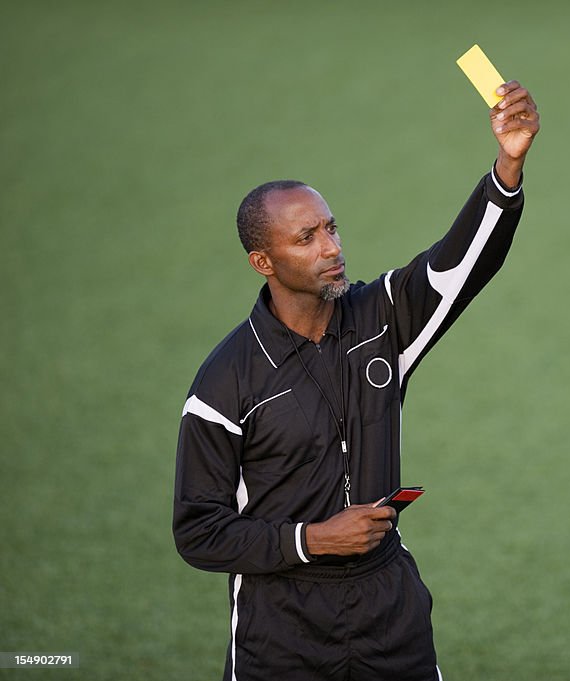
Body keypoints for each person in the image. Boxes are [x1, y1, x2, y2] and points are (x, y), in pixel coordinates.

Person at [173, 80, 539, 681]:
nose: (332, 248)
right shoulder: (223, 382)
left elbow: (461, 267)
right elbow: (199, 532)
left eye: (331, 228)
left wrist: (508, 165)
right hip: (280, 628)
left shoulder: (381, 318)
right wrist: (312, 540)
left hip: (389, 611)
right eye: (306, 238)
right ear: (263, 263)